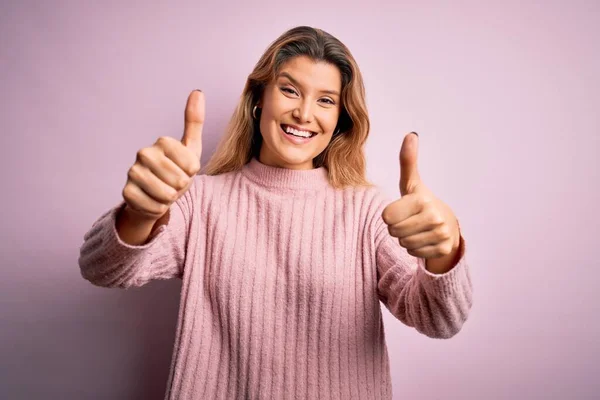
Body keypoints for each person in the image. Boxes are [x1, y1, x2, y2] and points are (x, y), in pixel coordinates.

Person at [78, 25, 472, 400]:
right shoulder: (201, 201)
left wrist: (444, 251)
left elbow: (439, 320)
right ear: (258, 99)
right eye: (289, 90)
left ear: (339, 121)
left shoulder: (366, 211)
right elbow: (103, 269)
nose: (304, 113)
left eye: (325, 100)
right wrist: (141, 214)